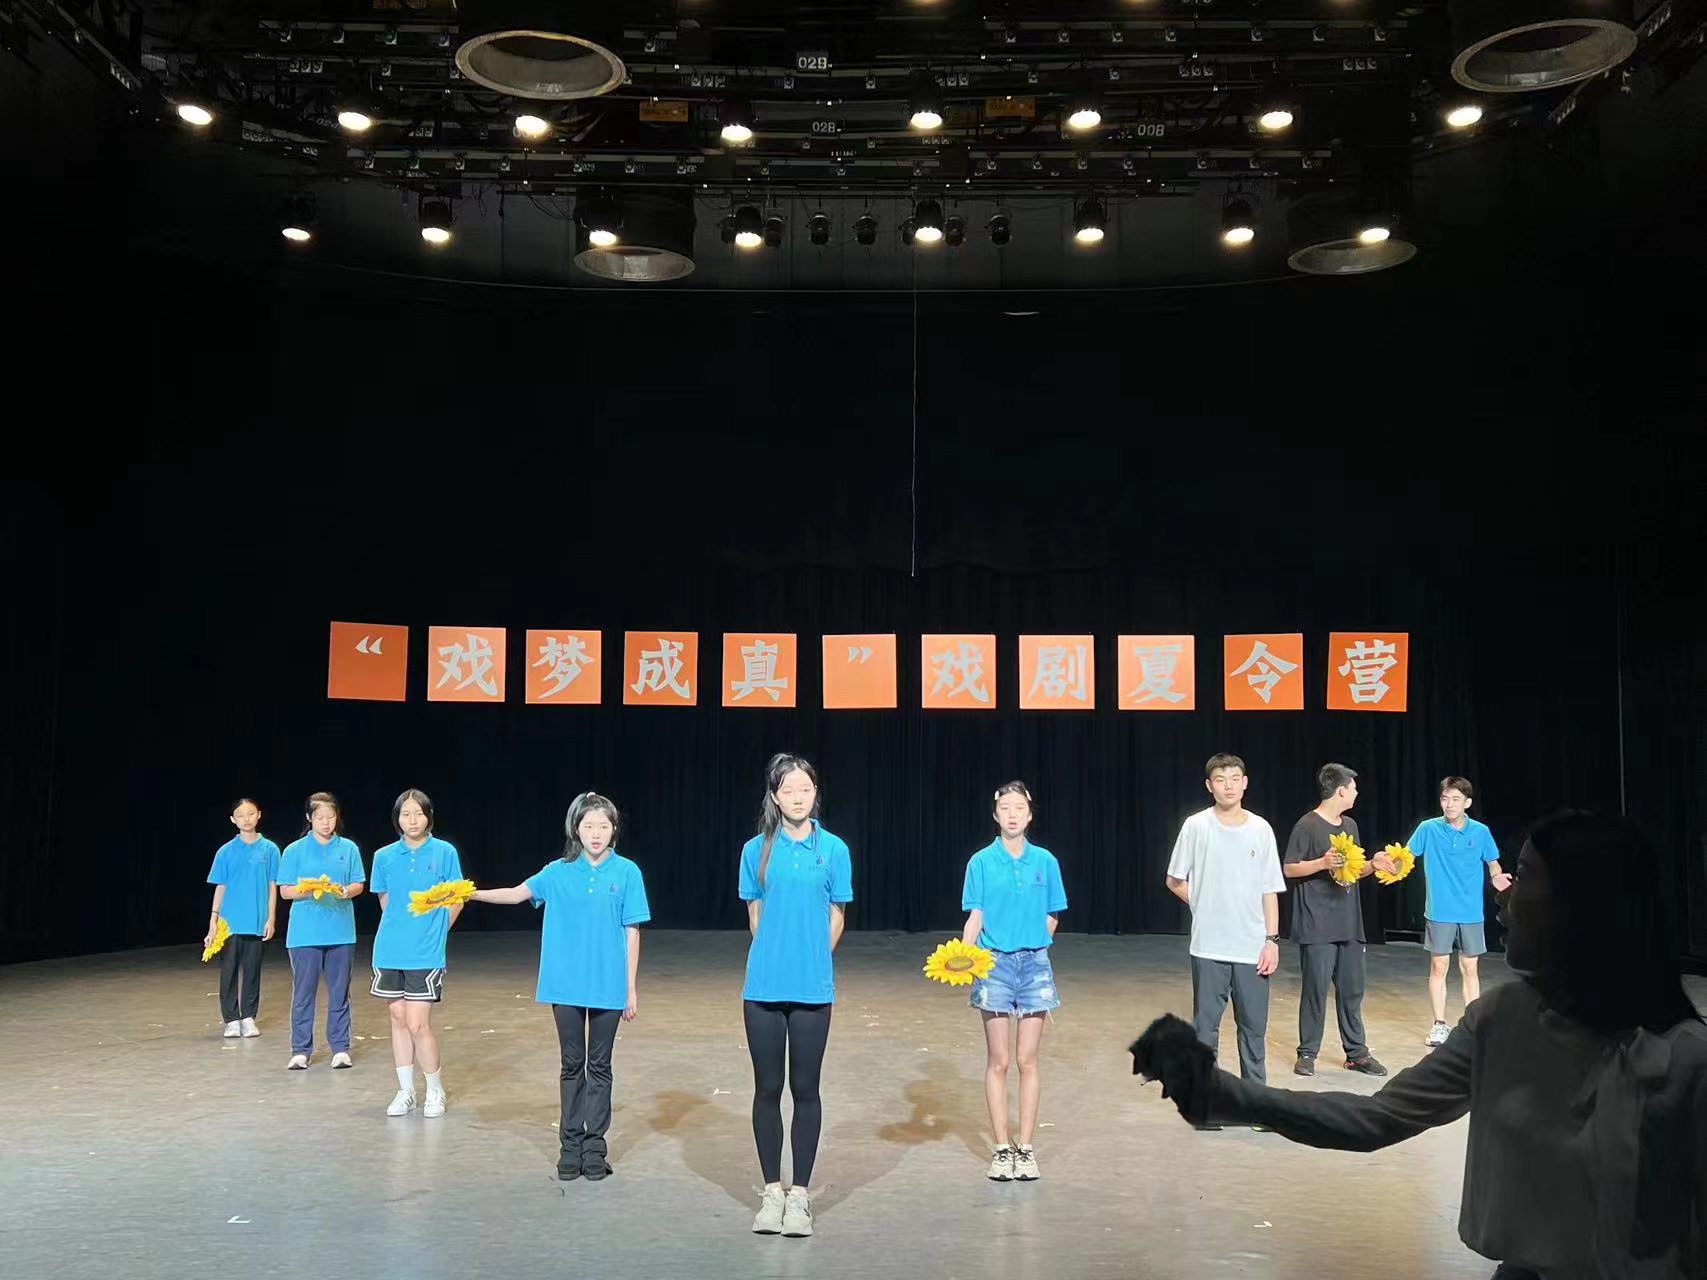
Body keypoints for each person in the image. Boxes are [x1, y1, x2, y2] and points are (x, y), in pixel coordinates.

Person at [1132, 810, 1706, 1280]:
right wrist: (1224, 1094)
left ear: (1586, 904)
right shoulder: (1500, 1020)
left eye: (1525, 879)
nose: (1503, 899)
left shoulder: (1685, 1061)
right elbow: (1378, 1118)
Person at [471, 793, 648, 1181]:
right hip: (565, 983)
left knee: (600, 1066)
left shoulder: (627, 872)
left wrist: (630, 988)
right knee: (572, 1064)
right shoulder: (557, 872)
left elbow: (632, 931)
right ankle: (569, 1147)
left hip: (608, 984)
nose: (596, 833)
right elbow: (517, 893)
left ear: (614, 829)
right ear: (576, 830)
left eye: (603, 826)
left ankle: (594, 1148)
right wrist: (470, 893)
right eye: (588, 826)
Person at [740, 754, 852, 1239]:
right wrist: (775, 954)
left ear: (815, 793)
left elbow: (837, 914)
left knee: (806, 1089)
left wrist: (812, 958)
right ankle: (772, 1192)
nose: (798, 797)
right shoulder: (755, 849)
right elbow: (755, 913)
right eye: (788, 790)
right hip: (763, 987)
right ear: (775, 796)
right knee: (767, 1089)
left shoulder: (834, 849)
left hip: (812, 989)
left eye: (805, 788)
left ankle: (800, 1195)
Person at [962, 781, 1069, 1181]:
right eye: (1005, 808)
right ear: (996, 815)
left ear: (1029, 814)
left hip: (1035, 965)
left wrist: (1037, 943)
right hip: (993, 965)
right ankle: (1001, 1147)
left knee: (1027, 1060)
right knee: (1000, 1061)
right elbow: (975, 916)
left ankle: (1025, 1148)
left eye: (1019, 808)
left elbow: (1054, 912)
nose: (1012, 814)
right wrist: (964, 956)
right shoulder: (980, 862)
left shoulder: (1045, 861)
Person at [1164, 754, 1285, 1093]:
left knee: (1253, 1030)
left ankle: (1255, 1100)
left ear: (1245, 783)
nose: (1228, 786)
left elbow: (1270, 889)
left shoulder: (1260, 829)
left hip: (1252, 947)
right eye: (1220, 779)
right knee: (1205, 1030)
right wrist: (1202, 903)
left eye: (1234, 779)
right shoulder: (1196, 826)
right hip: (1209, 946)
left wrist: (1272, 940)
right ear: (1209, 786)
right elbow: (1174, 880)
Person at [1282, 763, 1395, 1078]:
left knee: (1352, 990)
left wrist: (1374, 864)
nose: (1357, 793)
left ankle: (1357, 1054)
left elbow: (1353, 871)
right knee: (1315, 989)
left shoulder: (1350, 825)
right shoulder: (1307, 825)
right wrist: (1321, 862)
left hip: (1348, 922)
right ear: (1341, 790)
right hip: (1317, 922)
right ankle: (1307, 1053)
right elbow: (1289, 868)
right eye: (1354, 788)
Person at [368, 789, 463, 1119]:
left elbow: (457, 897)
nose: (412, 820)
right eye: (406, 814)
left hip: (426, 952)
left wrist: (438, 930)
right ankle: (406, 1091)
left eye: (418, 813)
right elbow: (385, 901)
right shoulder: (383, 856)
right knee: (398, 1018)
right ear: (397, 818)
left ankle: (434, 1090)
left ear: (429, 816)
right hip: (390, 949)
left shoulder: (444, 852)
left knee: (417, 1023)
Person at [1409, 776, 1512, 1047]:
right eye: (1445, 798)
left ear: (1467, 803)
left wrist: (1496, 877)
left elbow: (1493, 863)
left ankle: (1472, 1026)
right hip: (1439, 910)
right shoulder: (1428, 828)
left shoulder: (1480, 831)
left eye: (1456, 799)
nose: (1449, 804)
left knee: (1469, 968)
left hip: (1470, 911)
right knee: (1439, 966)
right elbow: (1406, 857)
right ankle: (1439, 1025)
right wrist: (1389, 864)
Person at [275, 791, 365, 1070]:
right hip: (304, 933)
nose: (326, 823)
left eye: (331, 817)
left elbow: (358, 884)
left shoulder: (348, 848)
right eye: (320, 818)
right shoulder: (294, 850)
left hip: (341, 931)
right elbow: (285, 891)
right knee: (303, 993)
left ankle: (340, 1048)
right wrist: (310, 887)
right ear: (309, 818)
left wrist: (345, 891)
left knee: (339, 992)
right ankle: (300, 1049)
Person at [204, 798, 281, 1040]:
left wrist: (271, 918)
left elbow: (273, 886)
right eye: (240, 815)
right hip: (230, 922)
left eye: (250, 813)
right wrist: (213, 920)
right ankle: (231, 1019)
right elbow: (221, 886)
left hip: (256, 920)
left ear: (259, 815)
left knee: (252, 971)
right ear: (233, 820)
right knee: (228, 971)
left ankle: (248, 1017)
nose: (246, 819)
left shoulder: (270, 849)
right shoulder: (225, 851)